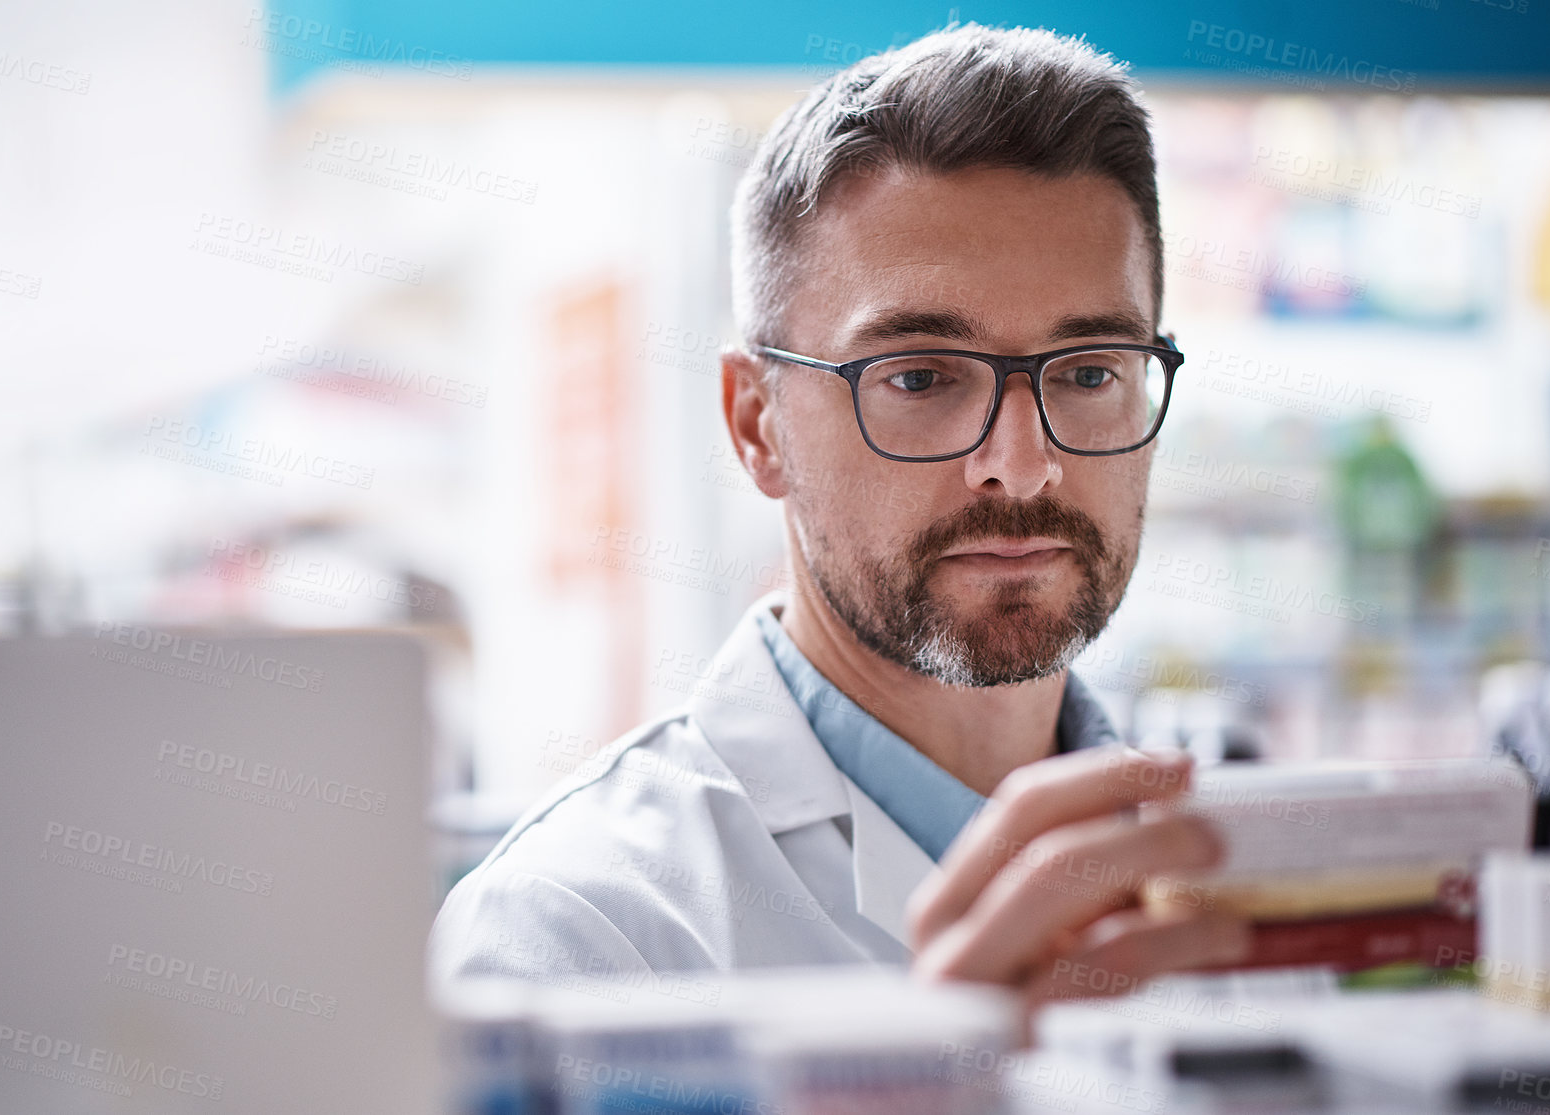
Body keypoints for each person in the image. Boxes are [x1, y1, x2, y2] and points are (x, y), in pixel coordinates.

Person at [433, 22, 1251, 1014]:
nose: (1022, 464)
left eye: (1085, 372)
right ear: (756, 423)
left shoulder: (1257, 878)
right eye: (918, 376)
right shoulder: (571, 938)